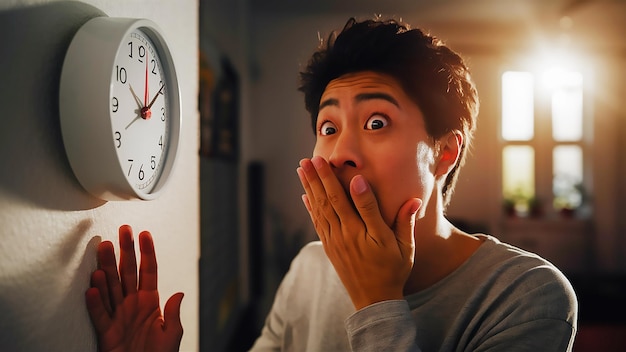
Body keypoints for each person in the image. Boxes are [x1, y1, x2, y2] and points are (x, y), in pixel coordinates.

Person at [86, 17, 578, 352]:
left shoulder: (528, 295)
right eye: (328, 127)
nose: (341, 151)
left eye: (377, 122)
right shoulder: (308, 267)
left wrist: (378, 302)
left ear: (445, 151)